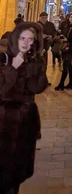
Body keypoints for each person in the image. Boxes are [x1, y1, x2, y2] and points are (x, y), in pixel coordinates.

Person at [0, 22, 48, 193]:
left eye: (31, 39)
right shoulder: (3, 57)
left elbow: (36, 88)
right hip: (3, 124)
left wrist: (41, 66)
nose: (26, 43)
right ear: (15, 37)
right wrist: (13, 67)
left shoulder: (31, 59)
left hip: (24, 127)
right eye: (23, 38)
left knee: (16, 175)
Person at [55, 13, 72, 91]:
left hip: (70, 48)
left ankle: (61, 84)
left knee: (65, 65)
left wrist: (67, 39)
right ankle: (71, 83)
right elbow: (63, 33)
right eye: (71, 17)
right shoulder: (67, 25)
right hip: (65, 47)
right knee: (69, 65)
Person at [38, 12, 56, 85]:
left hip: (46, 47)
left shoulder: (50, 25)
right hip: (38, 48)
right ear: (39, 18)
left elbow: (54, 32)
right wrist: (41, 36)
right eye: (43, 18)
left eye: (46, 18)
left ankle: (43, 81)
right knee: (38, 65)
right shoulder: (36, 25)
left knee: (44, 64)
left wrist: (51, 36)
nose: (44, 19)